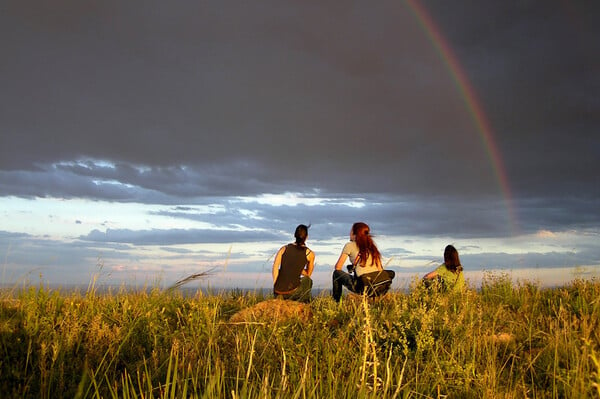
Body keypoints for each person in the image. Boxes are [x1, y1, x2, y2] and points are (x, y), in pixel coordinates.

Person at [332, 222, 395, 302]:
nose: (349, 233)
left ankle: (336, 301)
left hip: (362, 285)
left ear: (355, 233)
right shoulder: (372, 247)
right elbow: (380, 269)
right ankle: (376, 300)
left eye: (351, 231)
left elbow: (338, 267)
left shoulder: (349, 245)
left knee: (336, 273)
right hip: (378, 286)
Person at [272, 224, 315, 302]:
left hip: (278, 290)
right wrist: (299, 268)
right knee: (308, 281)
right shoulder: (309, 254)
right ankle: (303, 303)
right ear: (307, 237)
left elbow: (275, 267)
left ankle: (280, 297)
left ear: (294, 235)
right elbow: (308, 274)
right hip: (293, 291)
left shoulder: (283, 249)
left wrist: (275, 285)